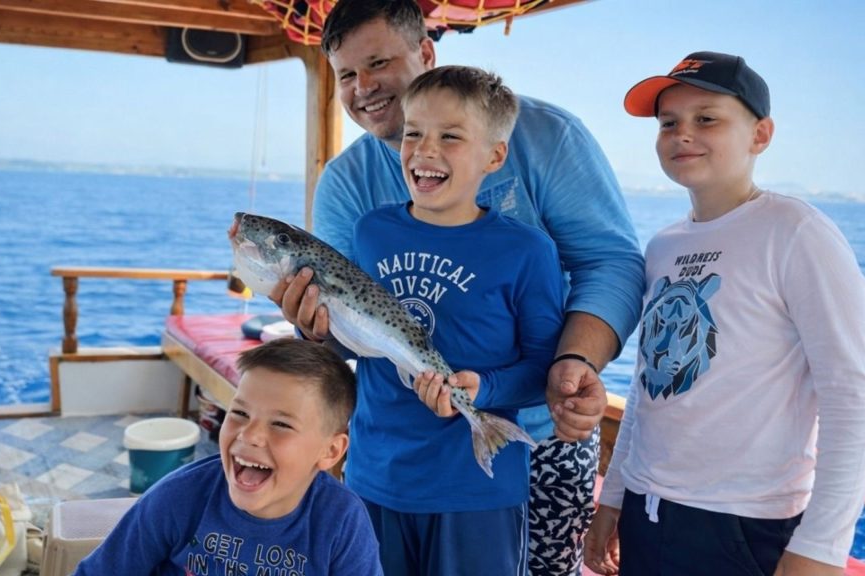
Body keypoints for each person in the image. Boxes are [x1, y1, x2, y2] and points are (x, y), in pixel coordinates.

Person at [270, 1, 646, 573]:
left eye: (378, 63)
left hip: (543, 434)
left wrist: (571, 365)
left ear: (425, 52)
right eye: (347, 75)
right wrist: (312, 327)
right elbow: (348, 331)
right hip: (398, 461)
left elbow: (611, 263)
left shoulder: (547, 137)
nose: (363, 88)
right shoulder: (348, 186)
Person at [583, 51, 865, 576]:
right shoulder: (663, 247)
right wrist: (617, 495)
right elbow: (648, 385)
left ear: (760, 135)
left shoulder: (797, 234)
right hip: (647, 514)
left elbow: (851, 395)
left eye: (706, 119)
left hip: (744, 525)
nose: (682, 134)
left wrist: (822, 545)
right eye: (668, 123)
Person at [345, 63, 563, 575]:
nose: (425, 149)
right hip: (373, 479)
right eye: (413, 133)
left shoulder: (526, 250)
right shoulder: (370, 232)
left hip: (476, 493)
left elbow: (542, 371)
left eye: (450, 136)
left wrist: (480, 389)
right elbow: (348, 340)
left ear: (495, 155)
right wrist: (309, 323)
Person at [74, 339, 383, 576]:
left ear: (330, 451)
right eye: (239, 413)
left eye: (281, 424)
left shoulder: (342, 522)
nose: (249, 435)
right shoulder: (179, 497)